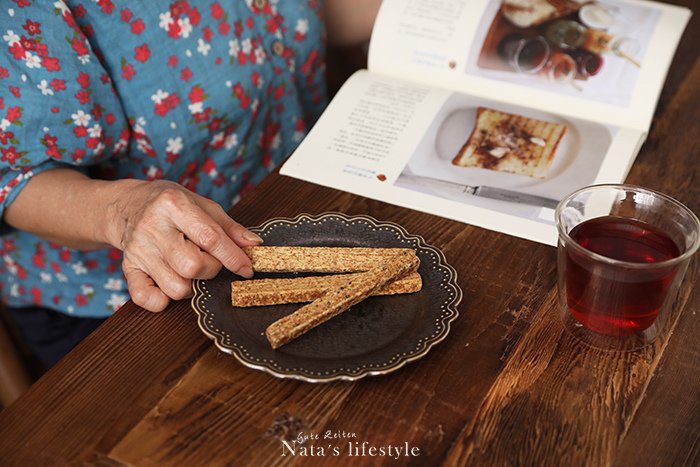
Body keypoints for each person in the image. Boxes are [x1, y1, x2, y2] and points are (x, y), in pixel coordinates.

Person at [0, 0, 382, 368]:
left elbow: (310, 10)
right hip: (137, 297)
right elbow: (13, 178)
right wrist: (124, 212)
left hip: (300, 194)